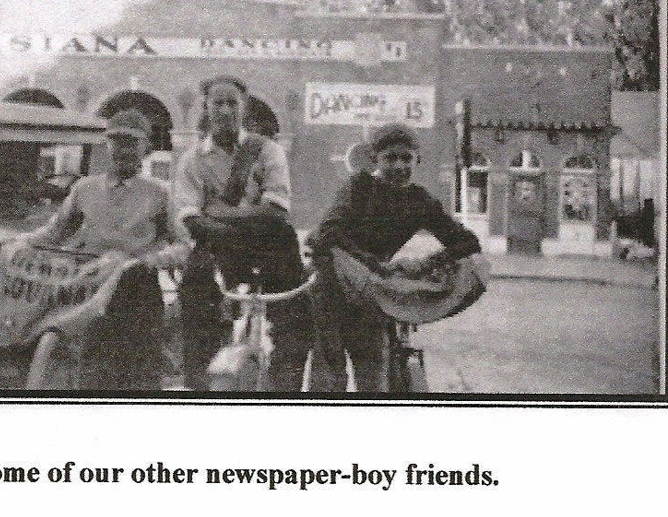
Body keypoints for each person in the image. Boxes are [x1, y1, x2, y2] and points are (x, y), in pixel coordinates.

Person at [20, 109, 186, 390]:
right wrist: (21, 244)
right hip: (89, 290)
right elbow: (55, 231)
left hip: (136, 290)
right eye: (117, 141)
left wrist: (150, 260)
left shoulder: (158, 194)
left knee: (139, 376)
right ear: (107, 145)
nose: (124, 150)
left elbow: (183, 245)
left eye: (132, 142)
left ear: (146, 148)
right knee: (90, 372)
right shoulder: (84, 189)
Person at [310, 123, 482, 392]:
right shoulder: (359, 186)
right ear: (375, 160)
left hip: (373, 296)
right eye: (391, 158)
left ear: (417, 159)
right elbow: (328, 233)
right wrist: (376, 265)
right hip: (332, 287)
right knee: (329, 379)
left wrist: (424, 264)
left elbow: (467, 242)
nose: (400, 166)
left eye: (406, 158)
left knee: (374, 376)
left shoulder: (420, 201)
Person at [172, 76, 311, 391]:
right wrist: (240, 219)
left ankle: (285, 384)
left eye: (231, 103)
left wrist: (220, 215)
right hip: (216, 246)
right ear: (206, 109)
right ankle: (198, 384)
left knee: (294, 314)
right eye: (217, 103)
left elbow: (276, 211)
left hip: (271, 245)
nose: (224, 110)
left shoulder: (267, 151)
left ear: (243, 107)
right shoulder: (193, 159)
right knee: (193, 296)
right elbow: (191, 218)